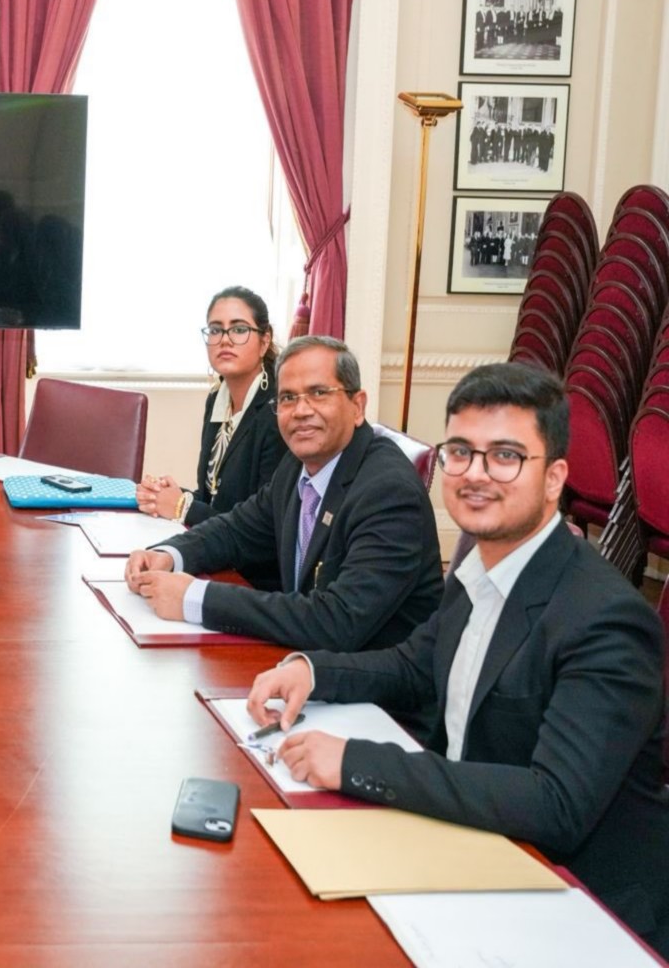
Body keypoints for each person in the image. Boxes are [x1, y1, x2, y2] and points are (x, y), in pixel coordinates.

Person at [246, 363, 669, 954]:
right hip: (477, 851)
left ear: (555, 478)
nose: (476, 475)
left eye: (505, 456)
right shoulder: (479, 569)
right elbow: (414, 665)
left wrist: (357, 762)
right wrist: (310, 670)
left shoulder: (605, 619)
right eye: (461, 453)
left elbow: (556, 804)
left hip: (578, 908)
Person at [125, 335, 441, 651]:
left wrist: (195, 598)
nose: (301, 410)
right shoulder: (297, 465)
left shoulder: (388, 492)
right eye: (288, 398)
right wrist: (168, 554)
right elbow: (236, 530)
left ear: (357, 406)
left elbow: (338, 622)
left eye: (319, 393)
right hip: (303, 663)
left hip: (372, 689)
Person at [136, 286, 288, 589]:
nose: (225, 340)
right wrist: (171, 495)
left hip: (253, 579)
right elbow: (215, 497)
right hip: (218, 558)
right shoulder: (217, 399)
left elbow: (262, 530)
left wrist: (182, 506)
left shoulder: (278, 412)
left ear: (265, 340)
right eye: (216, 330)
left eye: (240, 329)